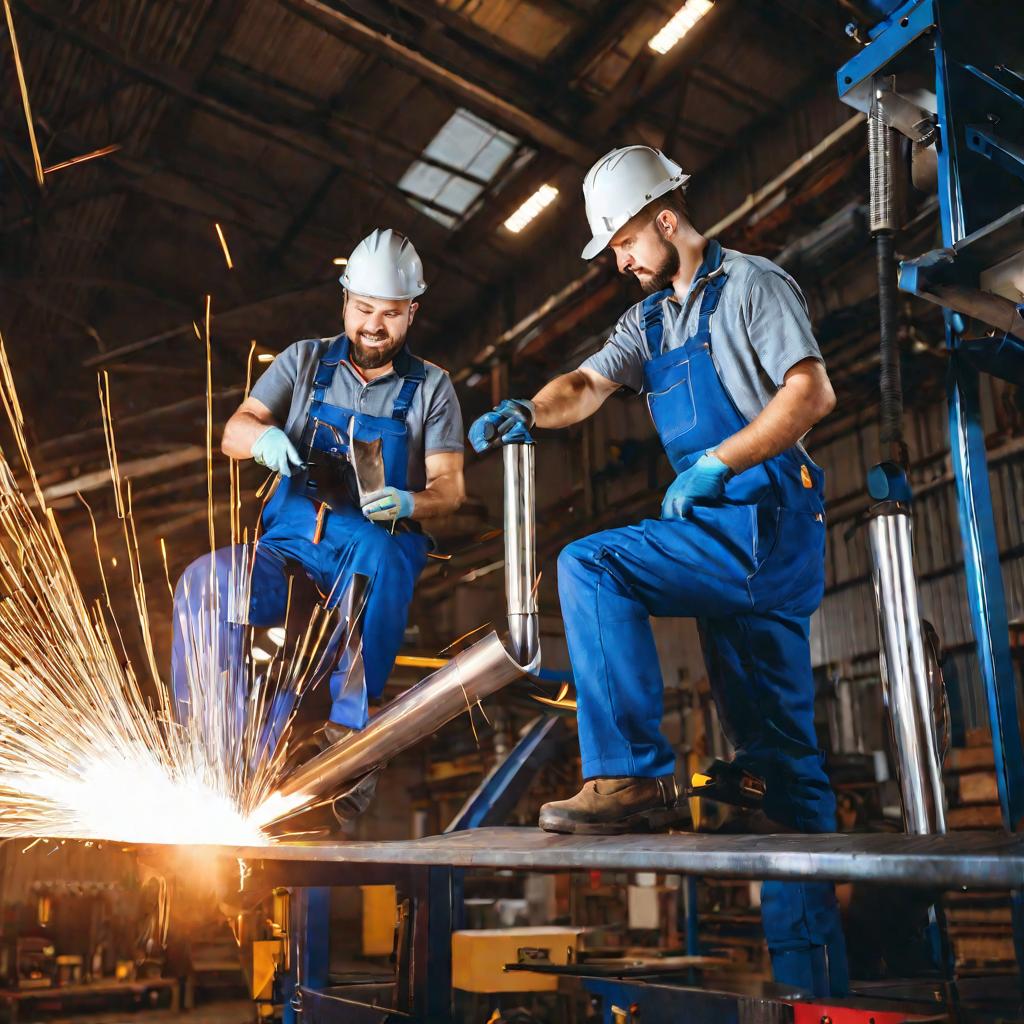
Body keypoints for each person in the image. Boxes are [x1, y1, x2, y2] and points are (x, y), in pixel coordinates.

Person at [469, 146, 847, 995]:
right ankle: (815, 989)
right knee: (775, 763)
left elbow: (810, 394)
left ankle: (632, 775)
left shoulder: (754, 285)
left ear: (664, 219)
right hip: (726, 532)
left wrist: (718, 460)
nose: (619, 261)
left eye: (623, 243)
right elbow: (587, 384)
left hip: (766, 520)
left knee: (591, 564)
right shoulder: (650, 323)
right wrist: (531, 408)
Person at [172, 228, 465, 774]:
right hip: (289, 547)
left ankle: (343, 733)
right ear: (345, 301)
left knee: (382, 556)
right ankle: (210, 736)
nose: (374, 324)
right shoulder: (304, 362)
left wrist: (409, 502)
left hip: (368, 552)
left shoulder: (431, 388)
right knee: (205, 581)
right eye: (363, 308)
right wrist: (262, 438)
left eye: (391, 313)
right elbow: (234, 431)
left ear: (412, 312)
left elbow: (451, 488)